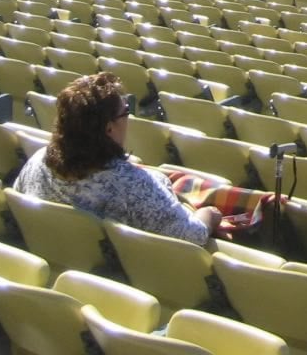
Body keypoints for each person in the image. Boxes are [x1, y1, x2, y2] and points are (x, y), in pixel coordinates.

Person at [14, 72, 221, 245]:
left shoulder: (38, 161)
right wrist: (209, 216)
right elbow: (192, 236)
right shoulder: (135, 185)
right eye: (126, 112)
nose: (128, 117)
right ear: (109, 128)